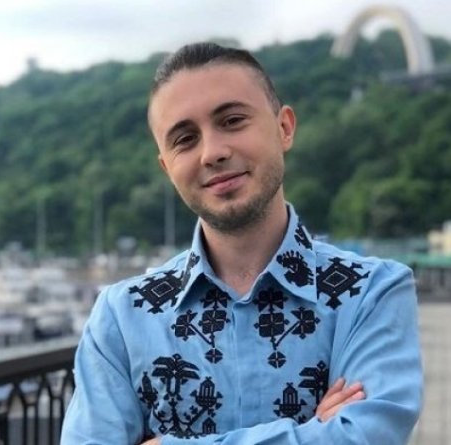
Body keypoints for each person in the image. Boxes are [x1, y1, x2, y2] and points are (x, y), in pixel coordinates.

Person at [61, 42, 423, 444]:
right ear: (166, 166)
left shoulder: (371, 291)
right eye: (185, 139)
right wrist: (316, 434)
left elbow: (368, 437)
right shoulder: (122, 315)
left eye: (232, 121)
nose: (213, 152)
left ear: (284, 128)